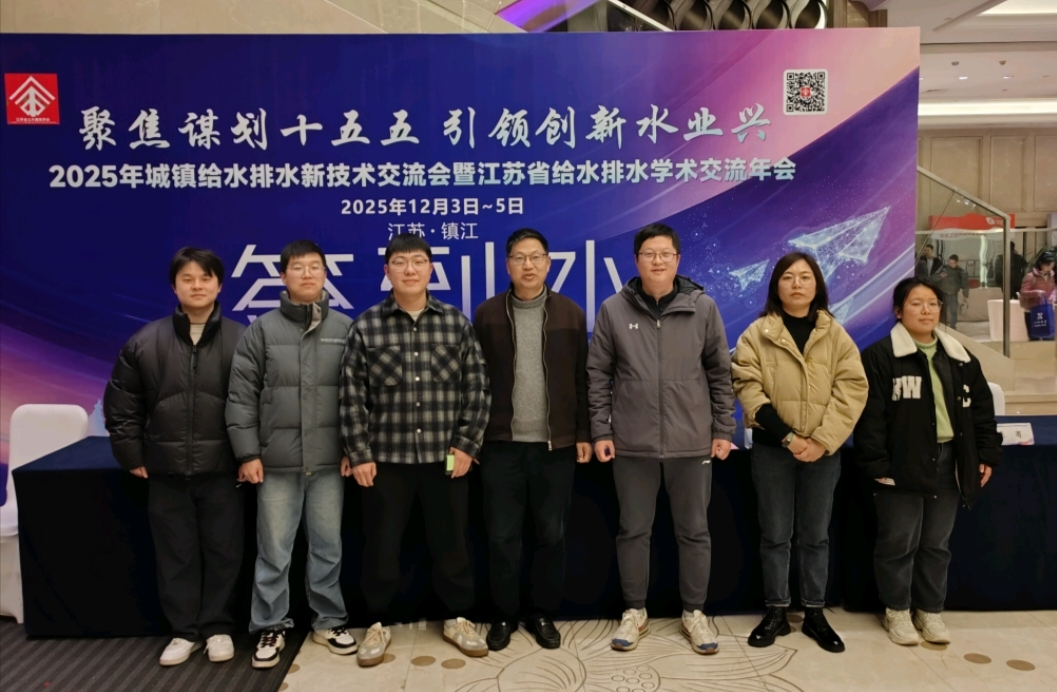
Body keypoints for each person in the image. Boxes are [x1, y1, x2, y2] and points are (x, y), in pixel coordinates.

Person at [341, 234, 491, 666]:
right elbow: (351, 396)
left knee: (453, 544)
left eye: (418, 261)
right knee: (381, 547)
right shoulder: (366, 325)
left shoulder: (455, 322)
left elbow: (478, 388)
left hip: (447, 459)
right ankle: (377, 622)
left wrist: (466, 445)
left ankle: (457, 618)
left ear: (431, 269)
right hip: (386, 461)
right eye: (400, 262)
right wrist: (359, 452)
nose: (410, 269)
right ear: (386, 271)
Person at [587, 223, 736, 655]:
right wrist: (601, 429)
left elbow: (720, 373)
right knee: (633, 531)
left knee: (695, 531)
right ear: (636, 260)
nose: (657, 261)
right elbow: (597, 374)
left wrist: (722, 428)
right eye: (649, 253)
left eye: (665, 253)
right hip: (631, 443)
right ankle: (635, 611)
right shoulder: (613, 309)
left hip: (692, 441)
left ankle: (694, 613)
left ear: (677, 260)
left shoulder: (702, 307)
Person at [104, 248, 245, 667]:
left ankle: (218, 627)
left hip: (224, 469)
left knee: (224, 552)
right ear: (174, 286)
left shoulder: (243, 339)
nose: (197, 286)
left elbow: (261, 403)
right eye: (188, 278)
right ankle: (184, 631)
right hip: (165, 470)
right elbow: (122, 404)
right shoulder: (145, 341)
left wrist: (250, 454)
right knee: (175, 555)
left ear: (219, 284)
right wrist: (131, 453)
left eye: (205, 278)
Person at [226, 239, 357, 669]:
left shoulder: (345, 328)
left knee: (327, 547)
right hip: (276, 463)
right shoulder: (261, 330)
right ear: (282, 276)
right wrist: (247, 453)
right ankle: (271, 625)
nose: (307, 274)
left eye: (315, 266)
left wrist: (353, 448)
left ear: (325, 274)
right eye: (298, 267)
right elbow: (241, 397)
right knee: (274, 550)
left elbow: (359, 397)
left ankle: (328, 620)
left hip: (329, 462)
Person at [731, 252, 868, 654]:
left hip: (823, 452)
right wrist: (789, 438)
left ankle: (814, 612)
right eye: (788, 277)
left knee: (815, 535)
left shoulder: (835, 334)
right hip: (773, 451)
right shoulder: (757, 334)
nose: (796, 284)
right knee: (775, 534)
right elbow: (747, 387)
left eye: (805, 277)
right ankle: (776, 609)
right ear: (776, 285)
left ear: (817, 285)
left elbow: (852, 389)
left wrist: (822, 440)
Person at [854, 278, 1001, 647]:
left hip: (950, 461)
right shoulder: (880, 356)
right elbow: (870, 418)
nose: (926, 310)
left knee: (936, 543)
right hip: (902, 463)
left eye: (933, 303)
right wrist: (877, 464)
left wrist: (986, 454)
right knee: (898, 543)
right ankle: (897, 610)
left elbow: (981, 411)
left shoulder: (960, 356)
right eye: (916, 303)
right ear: (898, 311)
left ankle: (930, 610)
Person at [473, 229, 592, 652]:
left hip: (554, 446)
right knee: (501, 537)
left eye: (536, 257)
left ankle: (541, 612)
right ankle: (503, 615)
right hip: (500, 445)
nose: (528, 265)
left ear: (548, 263)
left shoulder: (570, 313)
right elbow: (475, 381)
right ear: (507, 265)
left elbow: (582, 378)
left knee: (551, 536)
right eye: (519, 258)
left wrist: (583, 433)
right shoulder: (487, 314)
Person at [1019, 251, 1056, 339]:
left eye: (1051, 265)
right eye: (1047, 264)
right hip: (1032, 311)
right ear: (1040, 263)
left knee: (1049, 336)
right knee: (1034, 337)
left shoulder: (1053, 276)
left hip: (1047, 310)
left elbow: (1055, 289)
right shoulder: (1031, 276)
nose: (1049, 267)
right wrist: (1037, 293)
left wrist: (1053, 296)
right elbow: (1023, 292)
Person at [935, 255, 969, 329]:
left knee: (953, 311)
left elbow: (965, 284)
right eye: (949, 262)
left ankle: (953, 326)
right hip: (943, 294)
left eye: (953, 263)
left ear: (957, 263)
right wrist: (940, 276)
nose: (951, 264)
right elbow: (933, 278)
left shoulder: (960, 271)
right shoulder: (943, 268)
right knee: (942, 311)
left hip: (953, 294)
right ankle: (942, 326)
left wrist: (965, 295)